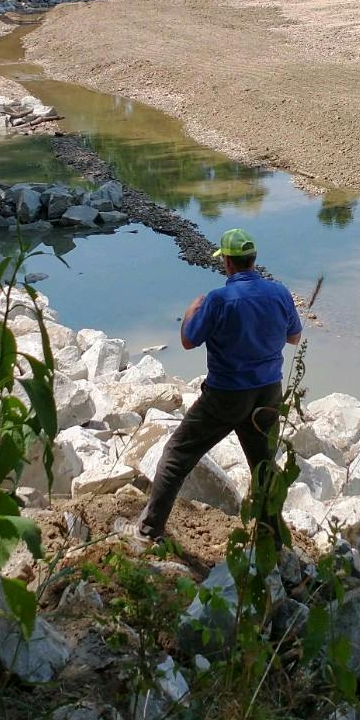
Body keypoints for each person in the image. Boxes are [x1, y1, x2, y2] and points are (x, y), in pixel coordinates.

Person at [137, 228, 303, 544]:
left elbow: (188, 341)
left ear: (227, 263)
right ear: (253, 261)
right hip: (268, 392)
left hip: (225, 396)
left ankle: (149, 531)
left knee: (177, 455)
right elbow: (294, 337)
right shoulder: (280, 293)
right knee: (264, 466)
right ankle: (272, 539)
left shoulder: (216, 300)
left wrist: (190, 312)